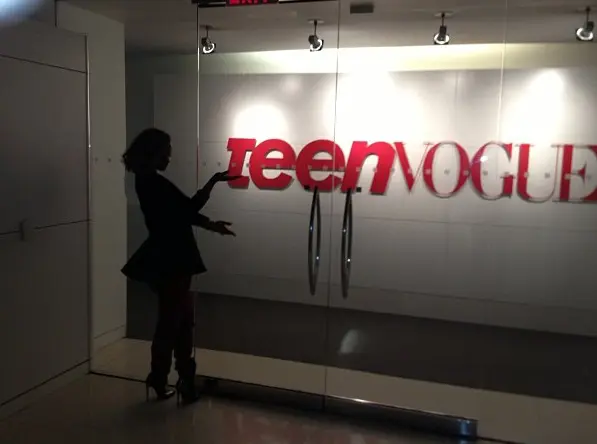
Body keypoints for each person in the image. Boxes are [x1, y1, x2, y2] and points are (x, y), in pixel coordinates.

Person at [121, 128, 237, 405]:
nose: (169, 158)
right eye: (166, 153)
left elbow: (182, 213)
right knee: (175, 322)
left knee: (179, 320)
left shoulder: (146, 181)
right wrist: (213, 183)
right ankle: (171, 379)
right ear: (152, 153)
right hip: (172, 259)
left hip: (168, 258)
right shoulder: (153, 183)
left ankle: (173, 379)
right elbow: (188, 209)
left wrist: (211, 223)